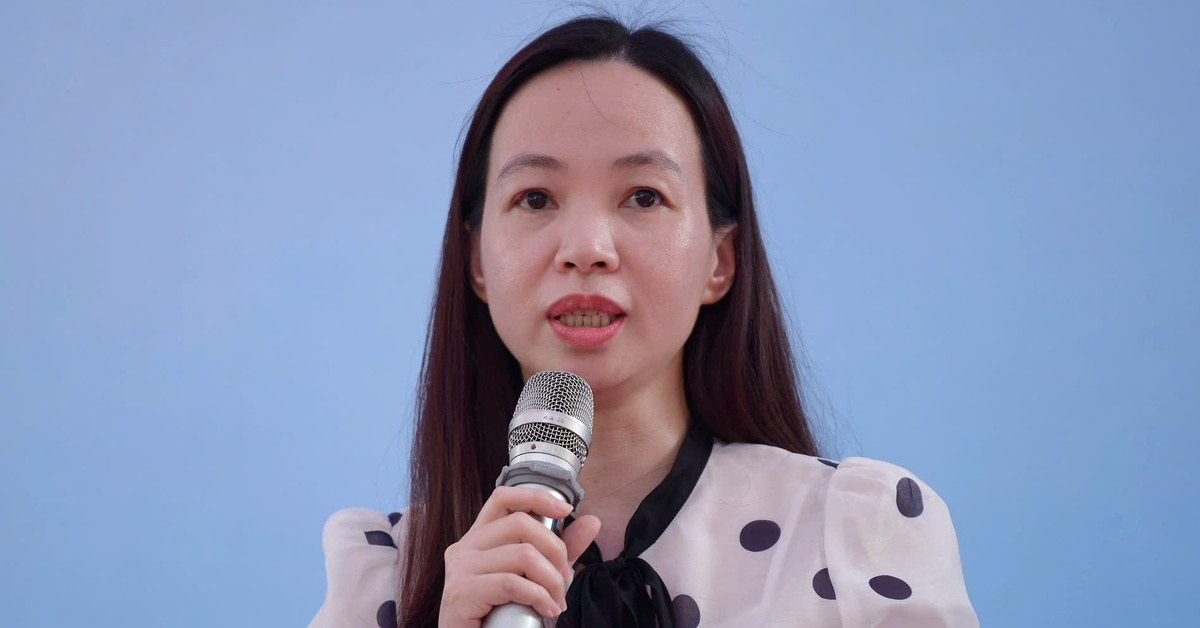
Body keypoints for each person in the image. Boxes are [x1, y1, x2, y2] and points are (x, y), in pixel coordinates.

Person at [310, 15, 977, 628]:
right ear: (476, 262)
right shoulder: (383, 580)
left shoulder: (857, 532)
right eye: (535, 198)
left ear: (719, 262)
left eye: (643, 196)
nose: (586, 248)